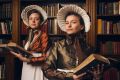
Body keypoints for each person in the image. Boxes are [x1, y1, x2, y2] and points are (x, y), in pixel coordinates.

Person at [42, 5, 103, 80]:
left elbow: (92, 73)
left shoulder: (90, 48)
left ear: (81, 26)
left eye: (73, 22)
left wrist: (97, 77)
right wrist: (70, 76)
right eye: (67, 23)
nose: (69, 25)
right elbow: (46, 69)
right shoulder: (58, 45)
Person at [10, 5, 48, 80]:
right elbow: (27, 51)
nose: (33, 21)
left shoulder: (44, 35)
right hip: (27, 66)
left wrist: (28, 60)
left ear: (41, 21)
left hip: (37, 67)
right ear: (28, 21)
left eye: (36, 19)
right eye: (31, 19)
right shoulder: (29, 34)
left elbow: (46, 57)